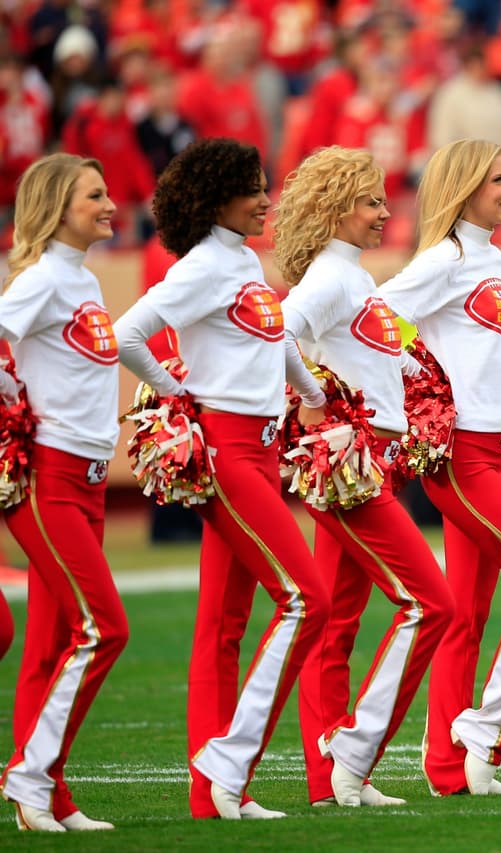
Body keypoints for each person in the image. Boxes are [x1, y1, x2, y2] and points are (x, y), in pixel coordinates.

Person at [115, 138, 330, 820]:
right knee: (307, 599)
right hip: (231, 457)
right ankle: (230, 759)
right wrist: (170, 389)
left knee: (223, 624)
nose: (267, 198)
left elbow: (274, 339)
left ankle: (211, 794)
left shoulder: (241, 259)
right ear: (217, 199)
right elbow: (127, 333)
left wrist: (313, 392)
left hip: (263, 453)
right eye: (254, 188)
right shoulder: (206, 265)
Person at [378, 138, 501, 796]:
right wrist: (423, 378)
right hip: (463, 455)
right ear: (465, 188)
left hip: (497, 450)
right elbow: (378, 319)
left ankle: (444, 768)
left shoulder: (487, 257)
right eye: (498, 180)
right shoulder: (446, 259)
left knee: (469, 612)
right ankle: (486, 736)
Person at [273, 146, 455, 808]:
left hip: (378, 461)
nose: (385, 212)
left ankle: (331, 782)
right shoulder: (328, 277)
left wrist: (421, 376)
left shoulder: (357, 280)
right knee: (431, 602)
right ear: (335, 208)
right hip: (349, 464)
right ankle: (352, 748)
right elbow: (278, 334)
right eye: (371, 201)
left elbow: (386, 347)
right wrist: (316, 398)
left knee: (340, 620)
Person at [0, 154, 128, 832]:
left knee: (51, 646)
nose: (110, 204)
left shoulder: (80, 281)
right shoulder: (44, 280)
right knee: (105, 626)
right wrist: (13, 400)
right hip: (49, 482)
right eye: (94, 195)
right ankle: (27, 773)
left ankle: (45, 795)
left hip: (90, 483)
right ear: (57, 207)